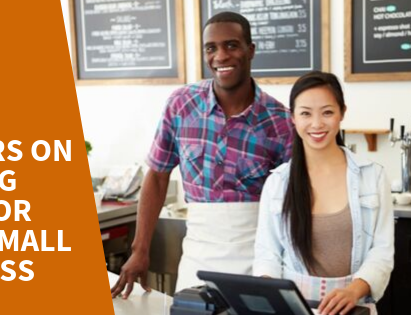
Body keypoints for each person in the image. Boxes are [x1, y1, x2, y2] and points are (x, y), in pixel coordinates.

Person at [111, 11, 294, 299]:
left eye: (232, 45)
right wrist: (140, 250)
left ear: (251, 50)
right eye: (212, 48)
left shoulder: (280, 121)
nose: (221, 56)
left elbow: (295, 203)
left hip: (259, 261)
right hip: (197, 258)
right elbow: (157, 177)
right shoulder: (181, 105)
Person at [253, 71, 394, 315]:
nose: (317, 124)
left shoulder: (372, 177)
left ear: (342, 113)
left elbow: (382, 251)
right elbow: (268, 253)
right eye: (306, 113)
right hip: (294, 307)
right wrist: (269, 291)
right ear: (293, 118)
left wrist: (354, 290)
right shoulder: (278, 183)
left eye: (327, 112)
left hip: (354, 306)